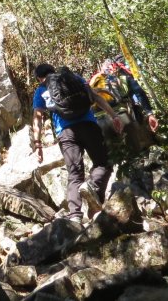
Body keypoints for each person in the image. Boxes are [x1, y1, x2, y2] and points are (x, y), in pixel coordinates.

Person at [30, 63, 125, 222]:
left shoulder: (41, 90)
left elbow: (38, 117)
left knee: (75, 173)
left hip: (65, 132)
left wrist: (38, 143)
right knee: (103, 163)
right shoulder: (74, 79)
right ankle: (93, 188)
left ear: (40, 79)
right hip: (89, 126)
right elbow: (96, 96)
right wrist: (114, 116)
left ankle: (75, 215)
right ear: (53, 70)